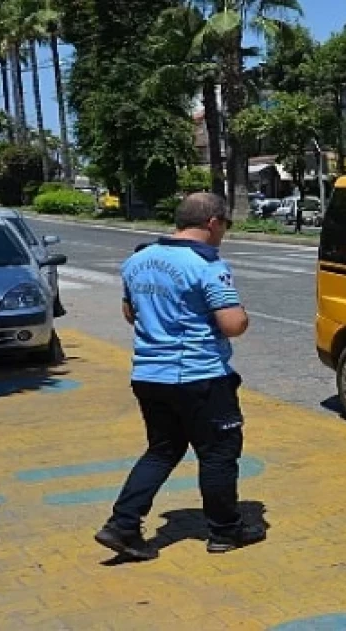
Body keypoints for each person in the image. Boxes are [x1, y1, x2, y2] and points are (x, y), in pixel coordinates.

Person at [95, 193, 264, 562]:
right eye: (226, 225)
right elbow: (232, 324)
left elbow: (130, 313)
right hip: (200, 376)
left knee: (162, 450)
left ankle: (123, 524)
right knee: (218, 453)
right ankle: (224, 531)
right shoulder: (207, 264)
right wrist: (241, 315)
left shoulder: (137, 260)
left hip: (149, 374)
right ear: (213, 222)